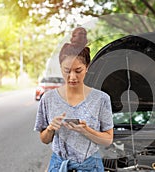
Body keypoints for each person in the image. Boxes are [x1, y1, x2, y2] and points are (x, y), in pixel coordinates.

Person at [34, 43, 114, 172]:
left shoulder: (101, 99)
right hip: (58, 166)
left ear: (87, 67)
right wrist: (50, 128)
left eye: (78, 71)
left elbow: (108, 140)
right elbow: (44, 139)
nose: (72, 77)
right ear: (60, 68)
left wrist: (86, 131)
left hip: (91, 167)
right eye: (67, 71)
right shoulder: (48, 99)